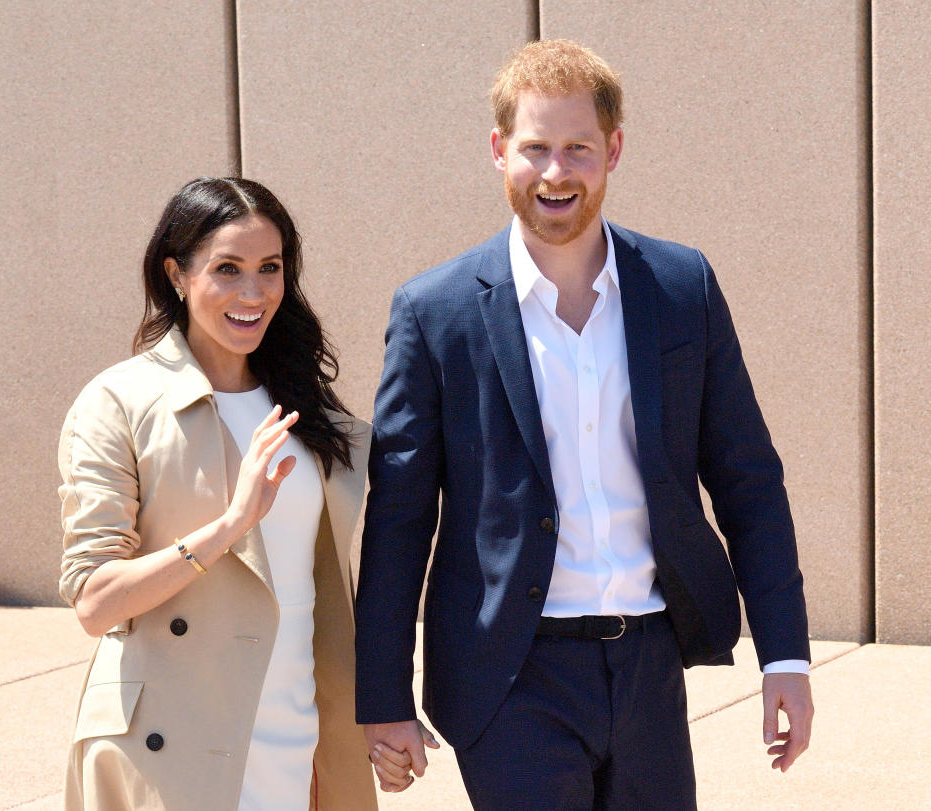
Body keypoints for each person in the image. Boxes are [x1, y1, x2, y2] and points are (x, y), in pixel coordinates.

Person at [355, 39, 814, 809]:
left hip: (650, 665)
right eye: (535, 148)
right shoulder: (434, 314)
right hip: (508, 676)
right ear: (499, 151)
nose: (556, 172)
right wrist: (384, 696)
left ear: (614, 150)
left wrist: (788, 657)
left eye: (578, 148)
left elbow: (749, 481)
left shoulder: (681, 286)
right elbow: (399, 518)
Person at [57, 177, 406, 810]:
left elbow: (330, 595)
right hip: (172, 742)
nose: (253, 293)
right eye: (227, 269)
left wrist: (382, 710)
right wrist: (229, 526)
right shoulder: (118, 403)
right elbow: (94, 602)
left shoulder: (310, 415)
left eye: (270, 268)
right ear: (177, 274)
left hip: (299, 730)